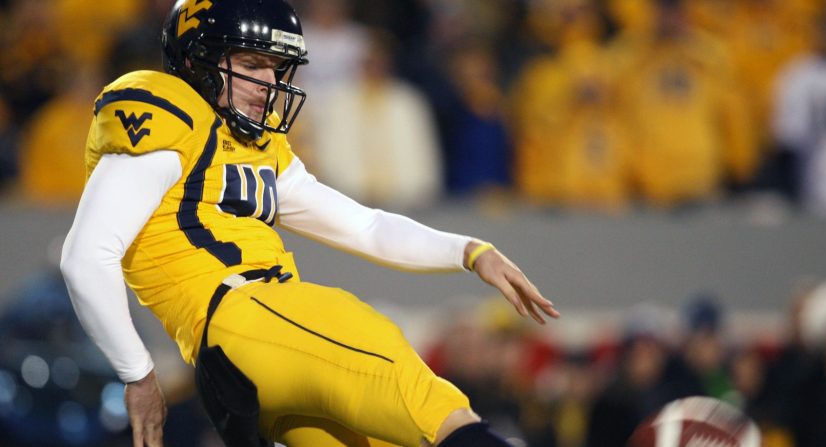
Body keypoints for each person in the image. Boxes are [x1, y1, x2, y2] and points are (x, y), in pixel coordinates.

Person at [58, 1, 559, 447]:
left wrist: (470, 252)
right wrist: (138, 374)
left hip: (258, 358)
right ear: (196, 63)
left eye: (277, 68)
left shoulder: (260, 151)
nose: (270, 83)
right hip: (242, 317)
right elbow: (85, 258)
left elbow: (365, 227)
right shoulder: (169, 123)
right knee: (418, 389)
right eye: (252, 64)